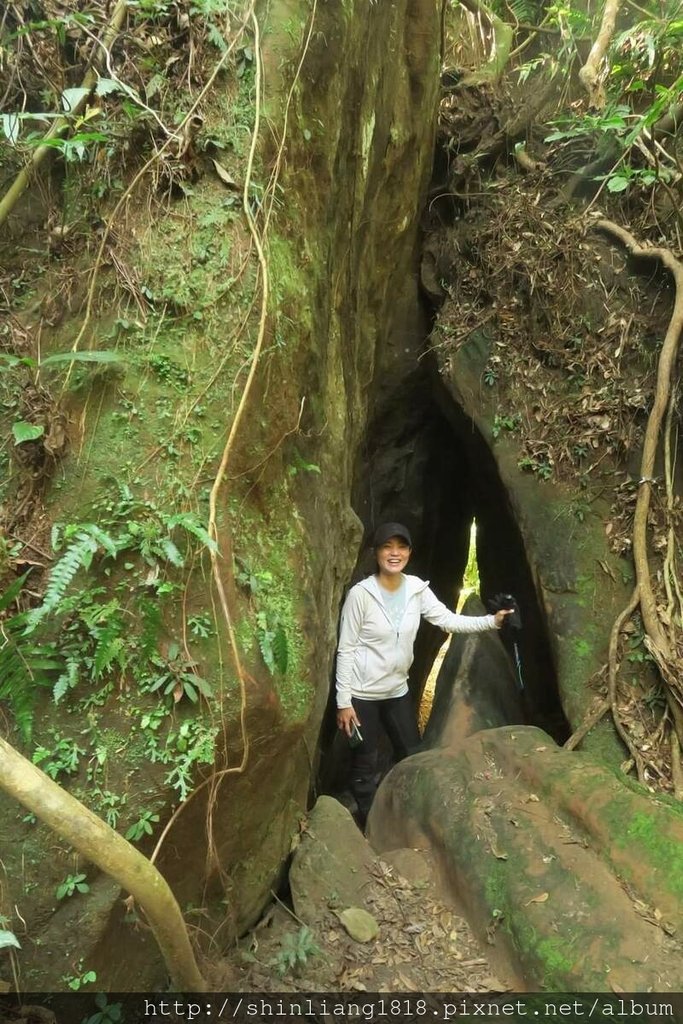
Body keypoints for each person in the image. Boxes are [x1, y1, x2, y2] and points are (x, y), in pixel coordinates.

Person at [335, 522, 512, 826]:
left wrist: (491, 622)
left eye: (401, 547)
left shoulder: (417, 590)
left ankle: (410, 816)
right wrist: (343, 701)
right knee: (364, 766)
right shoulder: (360, 595)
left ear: (409, 552)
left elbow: (447, 620)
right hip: (362, 696)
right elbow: (346, 648)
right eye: (387, 547)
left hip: (398, 692)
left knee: (412, 756)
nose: (394, 553)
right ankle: (370, 826)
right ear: (376, 552)